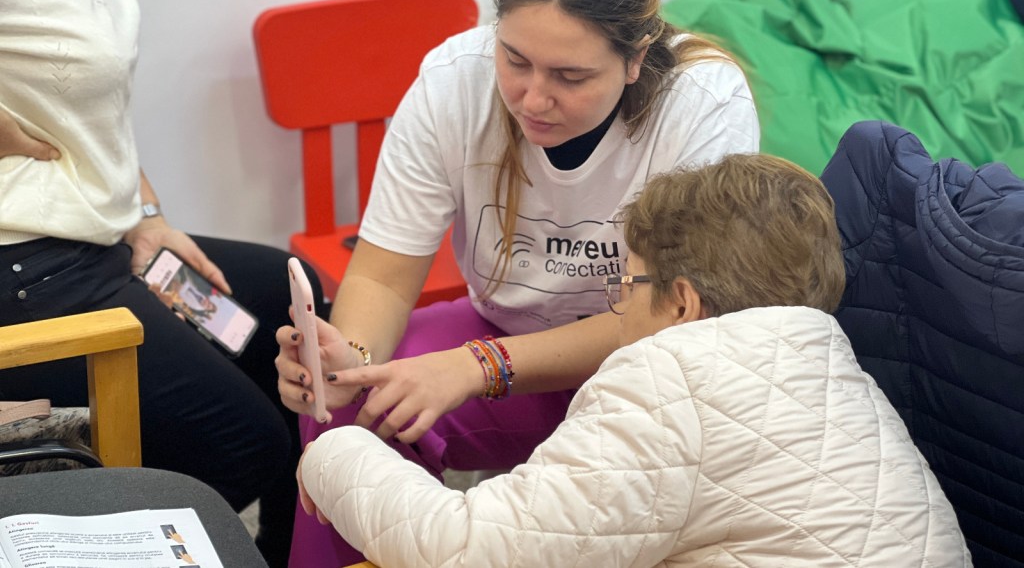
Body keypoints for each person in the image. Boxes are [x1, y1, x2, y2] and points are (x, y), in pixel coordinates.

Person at [276, 0, 760, 566]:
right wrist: (346, 358)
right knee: (350, 415)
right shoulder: (455, 80)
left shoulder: (702, 104)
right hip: (501, 336)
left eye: (570, 76)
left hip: (652, 371)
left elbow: (670, 323)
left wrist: (478, 366)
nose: (534, 98)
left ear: (636, 59)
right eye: (516, 60)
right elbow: (383, 277)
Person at [297, 154, 970, 567]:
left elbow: (470, 549)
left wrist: (334, 454)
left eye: (630, 285)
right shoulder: (838, 376)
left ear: (680, 302)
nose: (620, 302)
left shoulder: (680, 381)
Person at [0, 0, 317, 566]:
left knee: (289, 307)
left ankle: (287, 557)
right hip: (25, 266)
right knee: (246, 446)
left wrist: (146, 215)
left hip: (97, 239)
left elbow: (87, 99)